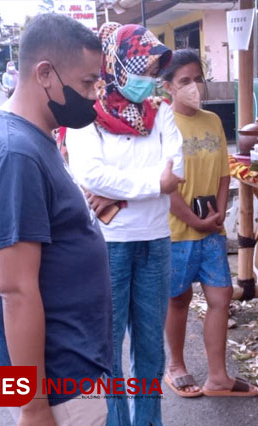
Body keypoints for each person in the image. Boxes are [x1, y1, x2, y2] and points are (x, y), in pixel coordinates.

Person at [0, 13, 111, 426]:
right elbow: (16, 290)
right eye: (85, 83)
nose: (94, 96)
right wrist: (34, 408)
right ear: (45, 73)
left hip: (71, 368)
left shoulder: (32, 141)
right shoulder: (14, 156)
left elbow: (30, 263)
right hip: (60, 390)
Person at [64, 23, 183, 426]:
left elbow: (176, 170)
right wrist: (153, 184)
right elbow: (89, 173)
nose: (147, 79)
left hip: (156, 241)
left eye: (153, 69)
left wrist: (122, 193)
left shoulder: (162, 110)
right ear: (115, 64)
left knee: (151, 349)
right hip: (108, 244)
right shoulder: (87, 113)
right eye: (140, 67)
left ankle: (148, 422)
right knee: (108, 350)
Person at [161, 49, 258, 399]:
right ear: (168, 86)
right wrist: (193, 220)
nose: (194, 87)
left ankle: (218, 376)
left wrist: (216, 215)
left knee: (221, 296)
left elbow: (222, 174)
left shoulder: (213, 121)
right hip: (176, 231)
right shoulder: (163, 125)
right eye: (184, 81)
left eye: (197, 79)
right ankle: (176, 366)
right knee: (178, 299)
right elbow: (164, 184)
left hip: (211, 229)